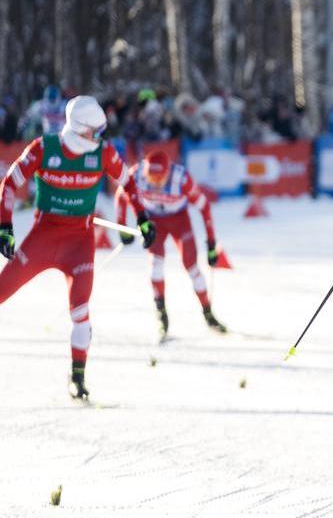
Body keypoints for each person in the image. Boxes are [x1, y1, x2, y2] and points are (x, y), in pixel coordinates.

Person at [0, 95, 156, 399]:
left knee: (81, 311)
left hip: (79, 243)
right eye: (94, 133)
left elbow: (129, 183)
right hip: (43, 237)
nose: (100, 139)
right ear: (77, 128)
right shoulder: (44, 148)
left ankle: (77, 379)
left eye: (102, 132)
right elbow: (8, 184)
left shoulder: (104, 152)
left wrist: (144, 218)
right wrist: (5, 226)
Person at [115, 150, 226, 339]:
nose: (156, 184)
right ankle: (162, 316)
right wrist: (121, 227)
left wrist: (211, 243)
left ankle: (208, 313)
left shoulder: (181, 180)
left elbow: (204, 206)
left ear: (168, 173)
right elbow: (121, 195)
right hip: (153, 221)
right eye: (152, 179)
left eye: (160, 179)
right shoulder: (137, 174)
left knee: (191, 267)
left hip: (179, 220)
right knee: (155, 266)